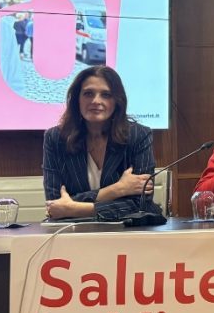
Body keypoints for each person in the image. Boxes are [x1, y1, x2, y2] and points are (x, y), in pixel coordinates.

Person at [43, 65, 158, 220]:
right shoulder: (55, 138)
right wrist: (117, 189)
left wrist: (76, 209)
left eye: (106, 95)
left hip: (125, 230)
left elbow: (141, 204)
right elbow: (55, 203)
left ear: (117, 101)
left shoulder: (138, 136)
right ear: (77, 99)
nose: (96, 101)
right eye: (88, 93)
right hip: (72, 231)